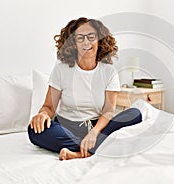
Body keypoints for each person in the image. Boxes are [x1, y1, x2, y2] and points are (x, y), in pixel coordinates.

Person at [28, 17, 142, 160]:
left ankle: (82, 152)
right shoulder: (61, 69)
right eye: (80, 38)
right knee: (34, 130)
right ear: (74, 43)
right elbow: (49, 106)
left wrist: (94, 133)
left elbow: (108, 111)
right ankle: (94, 149)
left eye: (91, 37)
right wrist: (43, 114)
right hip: (66, 127)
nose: (86, 42)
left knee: (135, 114)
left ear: (99, 40)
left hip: (97, 127)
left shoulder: (109, 72)